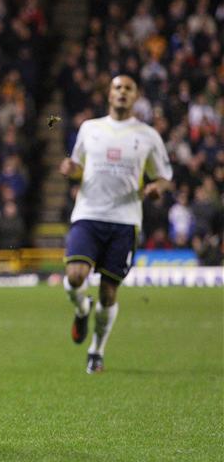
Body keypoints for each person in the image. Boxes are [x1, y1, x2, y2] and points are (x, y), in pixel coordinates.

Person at [60, 75, 172, 374]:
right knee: (74, 276)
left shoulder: (147, 135)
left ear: (135, 97)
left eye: (128, 89)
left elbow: (164, 175)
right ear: (109, 94)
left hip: (124, 221)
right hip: (88, 214)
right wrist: (70, 169)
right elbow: (78, 167)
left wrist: (157, 187)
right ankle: (82, 308)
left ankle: (96, 351)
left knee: (109, 293)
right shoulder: (90, 128)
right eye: (117, 88)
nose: (122, 92)